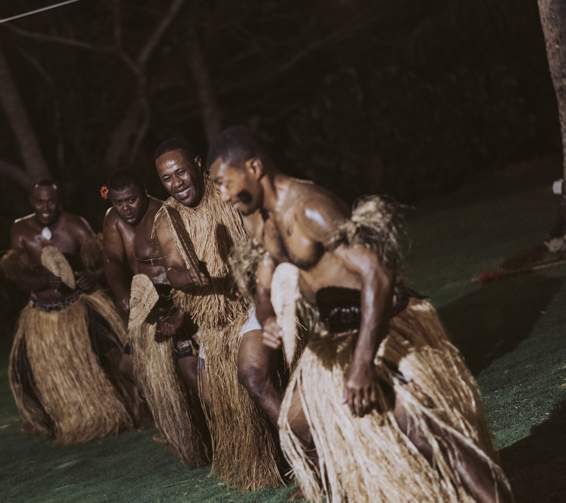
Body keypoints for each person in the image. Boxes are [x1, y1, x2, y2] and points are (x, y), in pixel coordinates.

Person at [208, 125, 513, 503]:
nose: (221, 195)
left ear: (253, 167)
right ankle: (352, 481)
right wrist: (268, 315)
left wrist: (364, 362)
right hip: (335, 337)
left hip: (383, 325)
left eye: (224, 182)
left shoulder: (310, 207)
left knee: (425, 432)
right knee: (297, 421)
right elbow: (266, 278)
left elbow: (378, 274)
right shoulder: (264, 221)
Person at [151, 139, 283, 491]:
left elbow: (266, 232)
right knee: (212, 398)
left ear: (197, 163)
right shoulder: (167, 219)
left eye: (181, 172)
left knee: (253, 375)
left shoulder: (227, 192)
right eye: (167, 178)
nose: (177, 182)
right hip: (214, 324)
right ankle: (269, 460)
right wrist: (189, 278)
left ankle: (309, 455)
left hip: (255, 303)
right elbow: (174, 267)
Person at [1, 179, 138, 444]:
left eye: (51, 201)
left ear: (59, 199)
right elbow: (17, 278)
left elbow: (103, 262)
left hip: (79, 304)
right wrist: (44, 282)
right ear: (32, 202)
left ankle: (136, 406)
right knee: (25, 369)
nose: (45, 207)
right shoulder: (20, 229)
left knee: (113, 353)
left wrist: (91, 276)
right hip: (41, 313)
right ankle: (48, 418)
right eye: (40, 201)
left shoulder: (75, 225)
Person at [103, 167, 209, 467]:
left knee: (190, 374)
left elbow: (190, 266)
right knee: (126, 365)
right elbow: (111, 260)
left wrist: (180, 309)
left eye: (131, 200)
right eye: (118, 202)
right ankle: (164, 409)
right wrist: (121, 288)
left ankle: (206, 429)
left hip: (178, 302)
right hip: (145, 306)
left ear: (144, 191)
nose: (125, 208)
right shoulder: (113, 219)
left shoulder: (164, 215)